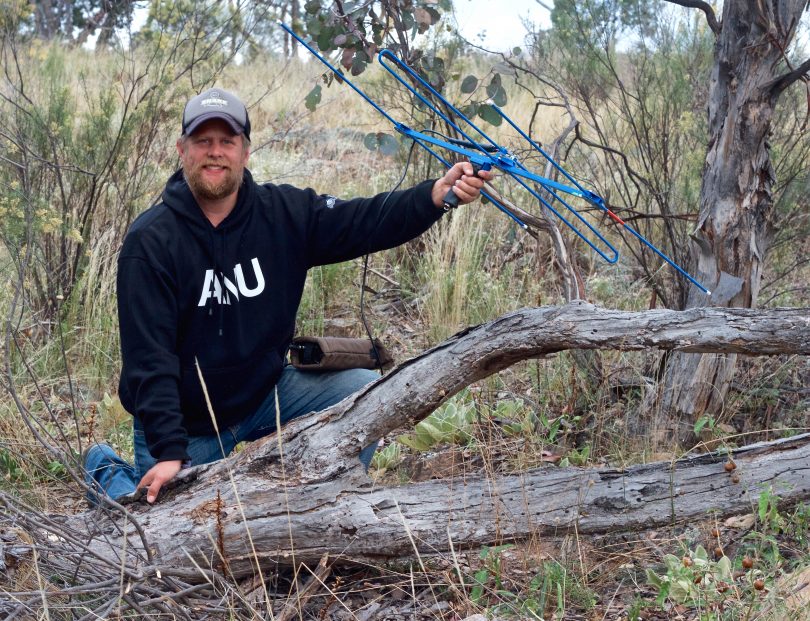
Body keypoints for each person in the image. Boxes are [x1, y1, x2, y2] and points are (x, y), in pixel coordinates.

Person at [84, 87, 491, 504]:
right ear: (182, 150)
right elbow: (149, 359)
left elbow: (364, 220)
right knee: (155, 532)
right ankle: (104, 470)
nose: (215, 152)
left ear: (245, 151)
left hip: (264, 396)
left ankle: (330, 500)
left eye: (227, 141)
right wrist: (170, 451)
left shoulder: (283, 213)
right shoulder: (151, 241)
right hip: (189, 427)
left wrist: (434, 197)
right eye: (202, 141)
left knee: (362, 391)